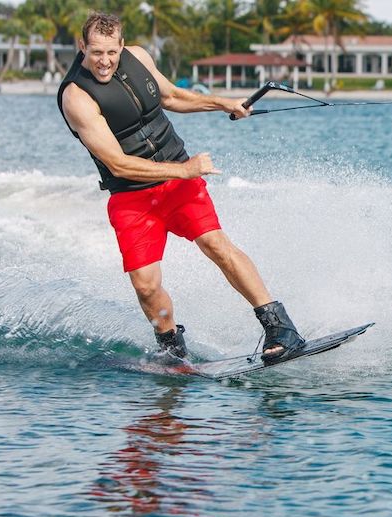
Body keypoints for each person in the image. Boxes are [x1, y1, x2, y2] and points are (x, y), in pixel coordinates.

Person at [57, 12, 303, 362]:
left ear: (122, 45)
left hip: (178, 183)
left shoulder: (139, 58)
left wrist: (224, 103)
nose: (105, 61)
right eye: (96, 52)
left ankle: (281, 329)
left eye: (112, 52)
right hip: (132, 196)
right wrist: (184, 169)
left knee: (216, 244)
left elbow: (170, 97)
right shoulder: (76, 96)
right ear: (82, 46)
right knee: (145, 284)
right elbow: (117, 162)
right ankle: (172, 349)